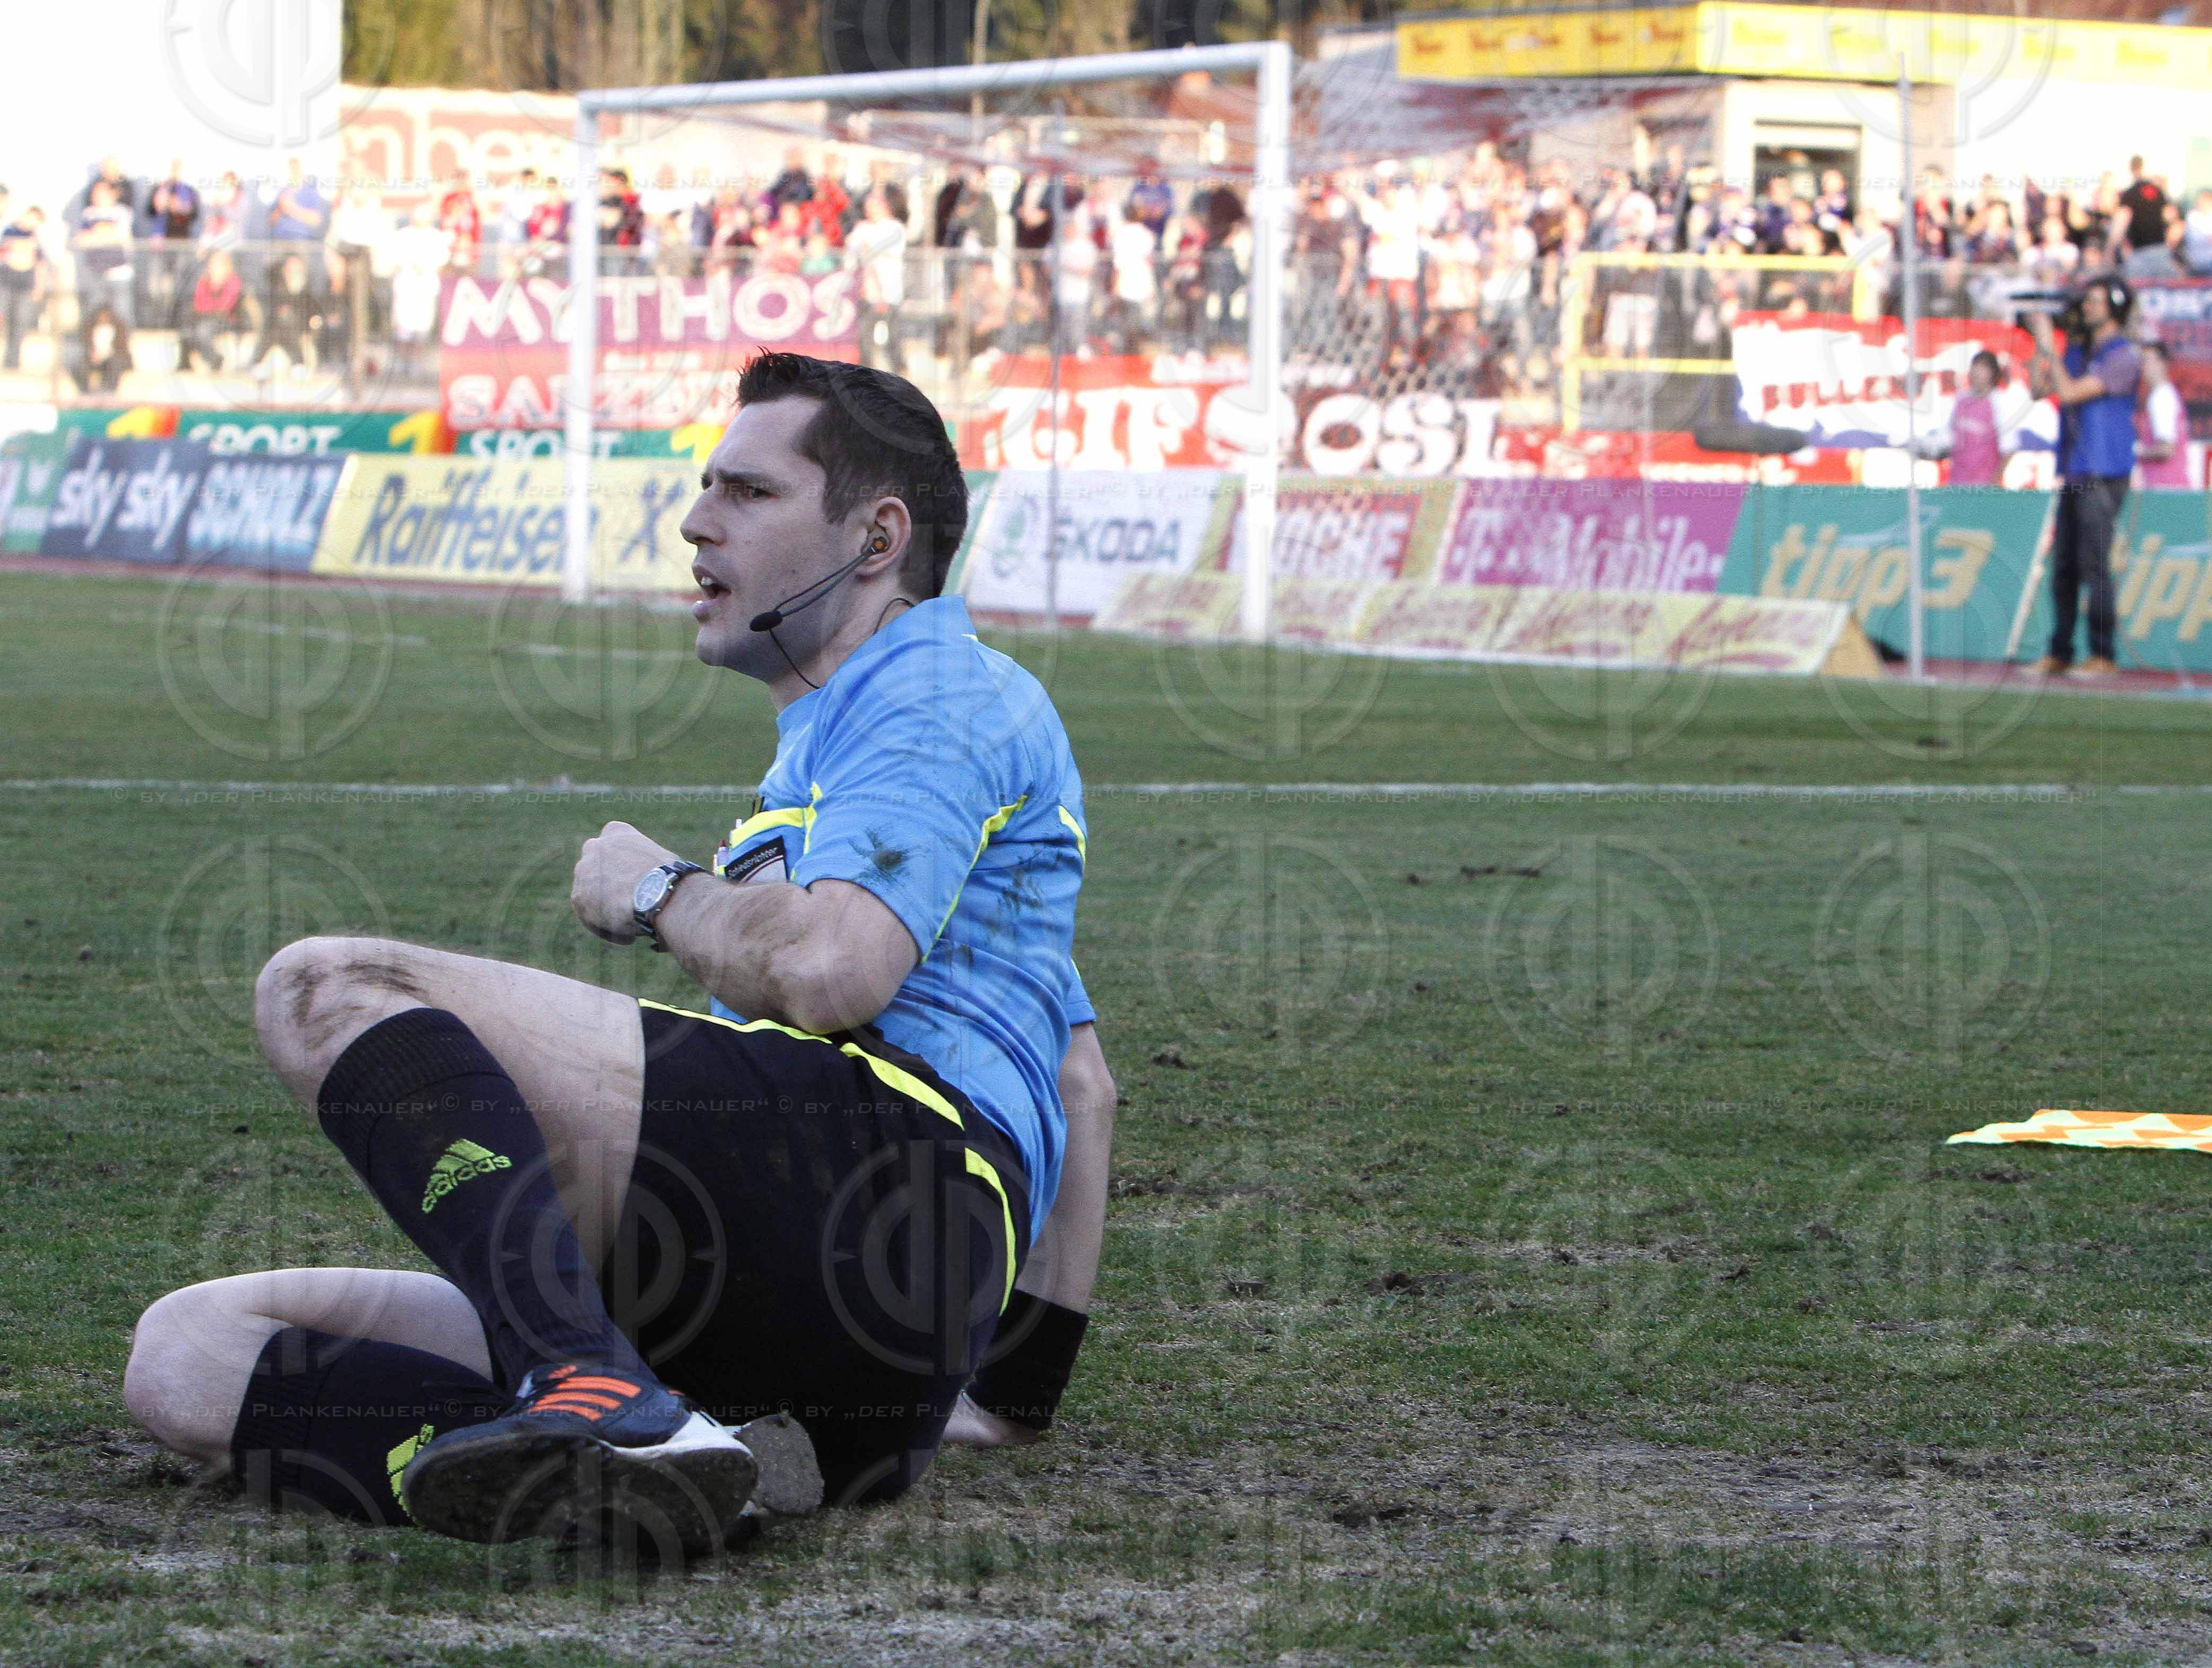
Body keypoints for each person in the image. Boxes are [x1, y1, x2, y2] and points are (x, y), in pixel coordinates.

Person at [122, 352, 1115, 1555]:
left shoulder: (933, 690)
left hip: (871, 1183)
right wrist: (1007, 1398)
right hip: (837, 1335)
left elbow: (826, 972)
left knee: (326, 986)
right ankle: (688, 1455)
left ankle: (589, 1388)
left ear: (875, 536)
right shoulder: (858, 755)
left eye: (747, 493)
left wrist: (657, 887)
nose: (697, 519)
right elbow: (1080, 1088)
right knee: (187, 1358)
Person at [2027, 278, 2139, 677]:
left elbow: (2071, 393)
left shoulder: (2122, 356)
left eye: (2095, 301)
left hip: (2105, 471)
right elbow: (2040, 390)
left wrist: (2048, 346)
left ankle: (2103, 653)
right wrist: (2041, 346)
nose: (2086, 308)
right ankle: (2060, 650)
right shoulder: (2078, 350)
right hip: (2075, 468)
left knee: (2094, 564)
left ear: (2115, 307)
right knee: (2064, 567)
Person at [847, 187, 907, 371]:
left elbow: (883, 250)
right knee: (865, 334)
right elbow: (853, 248)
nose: (870, 210)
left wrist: (868, 250)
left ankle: (900, 369)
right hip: (868, 289)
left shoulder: (895, 228)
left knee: (892, 334)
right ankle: (867, 372)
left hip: (890, 289)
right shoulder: (862, 228)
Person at [0, 200, 50, 372]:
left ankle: (12, 362)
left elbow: (41, 265)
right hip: (5, 283)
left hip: (25, 286)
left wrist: (39, 288)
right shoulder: (8, 232)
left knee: (19, 324)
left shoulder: (35, 238)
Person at [2136, 341, 2191, 490]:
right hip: (2169, 488)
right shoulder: (2163, 395)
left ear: (2163, 363)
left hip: (2165, 489)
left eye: (2146, 361)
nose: (2142, 367)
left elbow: (2166, 449)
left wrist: (2133, 452)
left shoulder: (2161, 397)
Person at [2118, 156, 2169, 257]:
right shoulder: (2158, 191)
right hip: (2160, 248)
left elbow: (2121, 221)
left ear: (2131, 169)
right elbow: (2168, 216)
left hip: (2139, 250)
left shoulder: (2130, 193)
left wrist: (2111, 249)